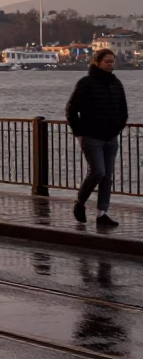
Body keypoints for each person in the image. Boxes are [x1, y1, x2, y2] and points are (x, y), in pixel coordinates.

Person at [67, 48, 128, 228]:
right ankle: (79, 202)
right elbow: (71, 110)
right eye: (107, 61)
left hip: (111, 137)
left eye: (112, 61)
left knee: (107, 177)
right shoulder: (86, 83)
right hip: (91, 136)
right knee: (98, 172)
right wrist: (79, 133)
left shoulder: (116, 83)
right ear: (97, 62)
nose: (110, 65)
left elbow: (123, 109)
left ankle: (102, 214)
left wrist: (118, 127)